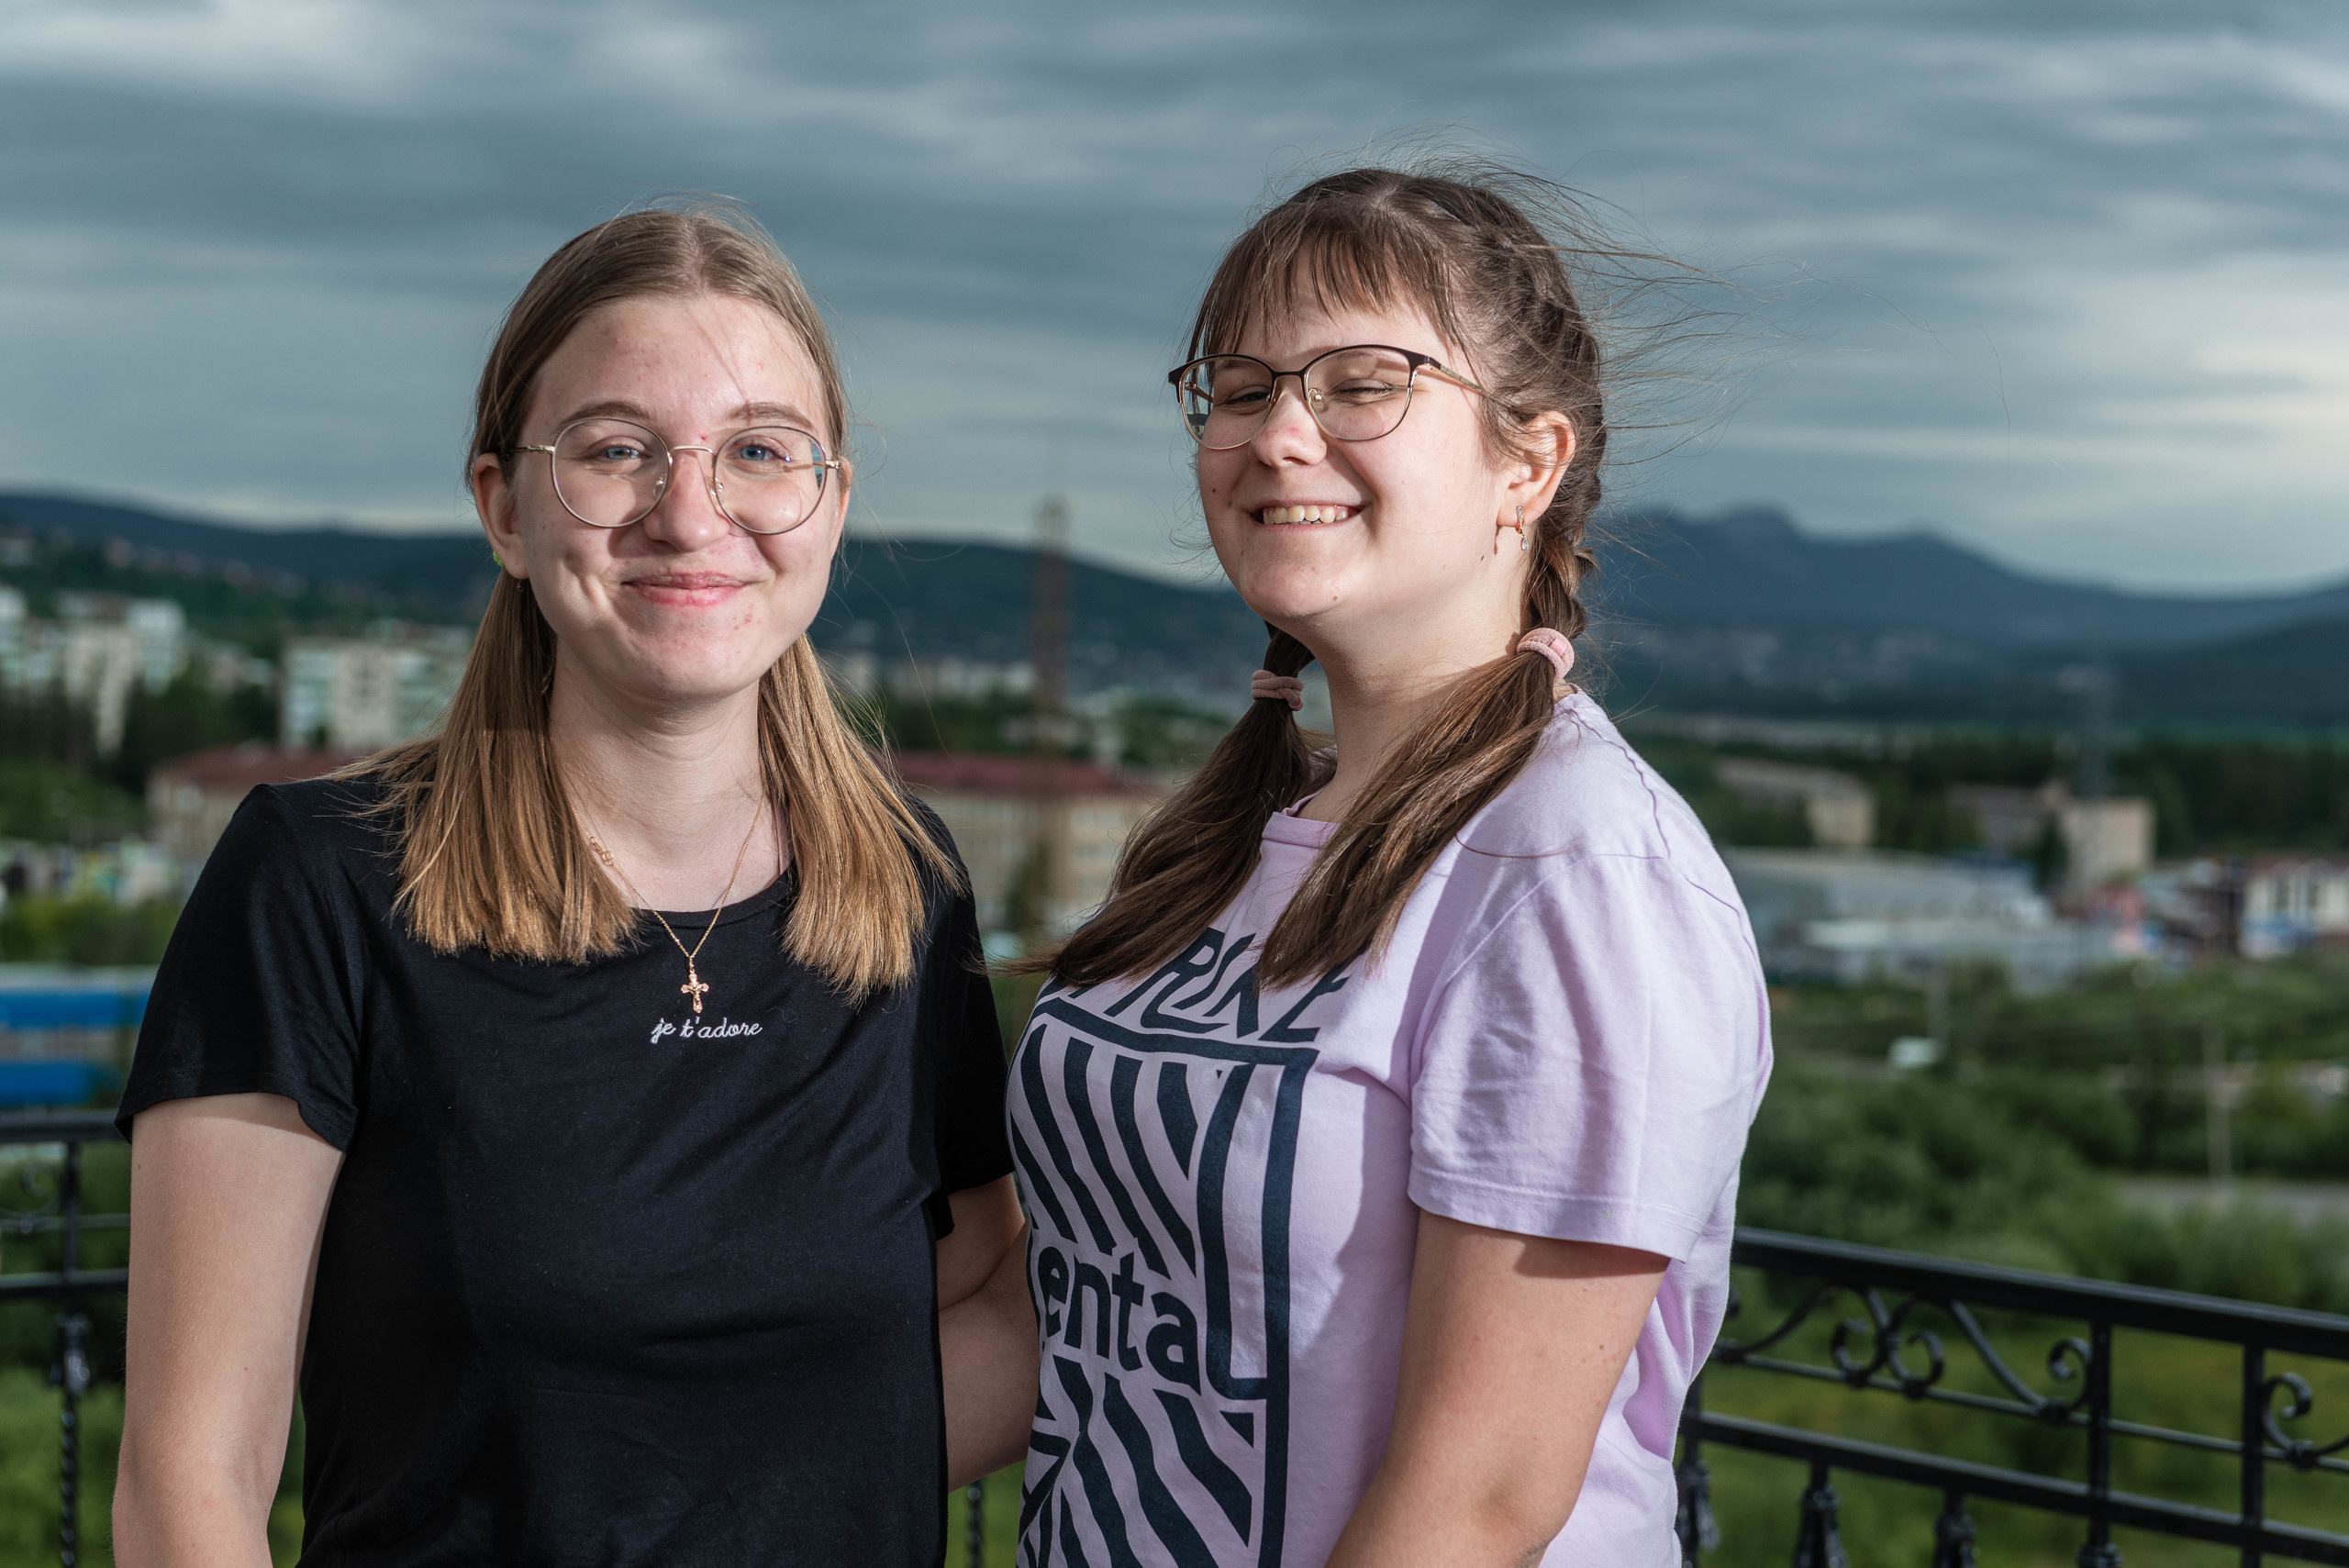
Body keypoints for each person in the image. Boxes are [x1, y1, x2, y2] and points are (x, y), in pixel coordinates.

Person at [111, 206, 1037, 1567]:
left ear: (830, 502)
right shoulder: (321, 881)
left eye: (758, 453)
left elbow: (981, 1312)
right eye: (614, 451)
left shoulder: (905, 884)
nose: (689, 512)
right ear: (502, 504)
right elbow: (191, 1482)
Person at [1005, 164, 1772, 1566]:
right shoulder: (1221, 842)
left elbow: (1475, 1509)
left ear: (1526, 464)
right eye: (1241, 389)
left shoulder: (1577, 868)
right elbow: (1073, 1313)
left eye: (1363, 382)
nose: (1280, 433)